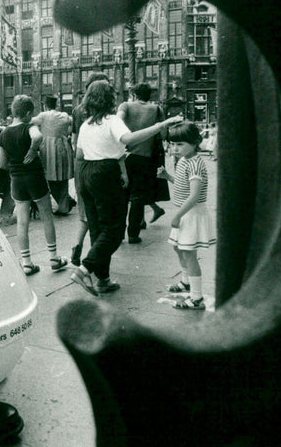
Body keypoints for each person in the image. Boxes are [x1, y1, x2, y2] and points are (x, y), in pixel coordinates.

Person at [71, 81, 182, 296]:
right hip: (105, 172)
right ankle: (85, 269)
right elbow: (128, 139)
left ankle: (103, 279)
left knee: (97, 228)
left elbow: (79, 155)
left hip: (86, 172)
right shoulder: (112, 121)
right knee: (114, 229)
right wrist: (161, 125)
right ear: (109, 99)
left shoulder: (86, 124)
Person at [0, 95, 68, 276]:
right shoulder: (30, 127)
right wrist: (31, 150)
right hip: (34, 177)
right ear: (28, 113)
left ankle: (26, 262)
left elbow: (2, 163)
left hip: (17, 180)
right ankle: (54, 258)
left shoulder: (3, 134)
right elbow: (37, 137)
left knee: (22, 221)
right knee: (46, 216)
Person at [157, 122, 216, 310]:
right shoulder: (183, 161)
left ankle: (197, 297)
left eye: (180, 144)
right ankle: (185, 281)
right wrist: (168, 177)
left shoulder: (196, 164)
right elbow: (184, 185)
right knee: (178, 248)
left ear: (195, 142)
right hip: (184, 212)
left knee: (189, 254)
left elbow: (194, 195)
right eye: (172, 144)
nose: (174, 148)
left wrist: (178, 216)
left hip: (191, 213)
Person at [117, 83, 168, 243]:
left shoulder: (125, 105)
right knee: (138, 197)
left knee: (122, 197)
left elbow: (118, 120)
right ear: (150, 95)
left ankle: (118, 233)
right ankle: (133, 234)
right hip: (145, 158)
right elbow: (164, 133)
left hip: (125, 156)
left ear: (134, 93)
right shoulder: (156, 109)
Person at [69, 72, 110, 266]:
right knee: (100, 213)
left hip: (81, 162)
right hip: (99, 163)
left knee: (85, 208)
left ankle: (77, 245)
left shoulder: (78, 110)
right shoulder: (104, 111)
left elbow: (75, 139)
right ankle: (95, 256)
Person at [32, 94, 75, 215]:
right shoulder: (65, 115)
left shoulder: (43, 115)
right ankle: (64, 205)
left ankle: (64, 204)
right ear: (56, 104)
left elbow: (29, 122)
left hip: (49, 149)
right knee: (62, 178)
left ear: (45, 106)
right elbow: (72, 124)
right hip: (63, 147)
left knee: (50, 178)